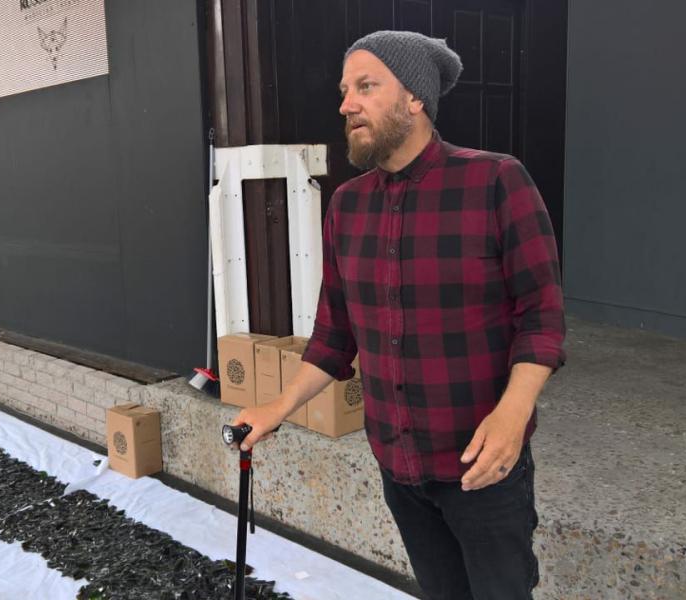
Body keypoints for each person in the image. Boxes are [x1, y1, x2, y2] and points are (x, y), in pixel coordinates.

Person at [232, 30, 565, 600]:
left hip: (482, 464)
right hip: (398, 466)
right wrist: (276, 407)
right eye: (344, 91)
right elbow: (335, 333)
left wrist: (513, 414)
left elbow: (542, 315)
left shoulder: (496, 180)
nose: (347, 104)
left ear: (415, 98)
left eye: (366, 87)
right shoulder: (347, 205)